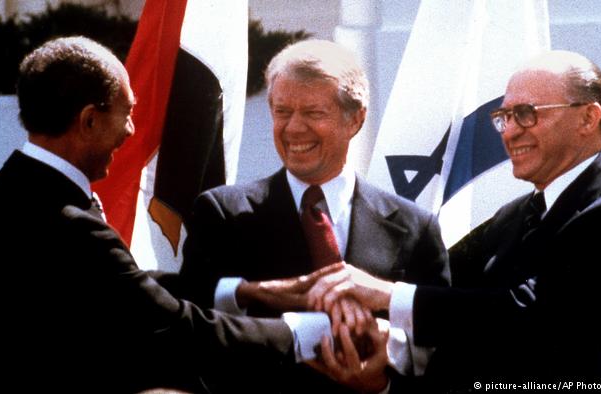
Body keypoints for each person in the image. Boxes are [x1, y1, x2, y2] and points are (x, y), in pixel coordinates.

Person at [0, 36, 343, 394]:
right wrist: (308, 333)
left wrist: (244, 292)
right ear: (88, 121)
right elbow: (169, 326)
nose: (131, 131)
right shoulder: (71, 225)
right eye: (127, 113)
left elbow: (114, 284)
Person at [306, 50, 601, 392]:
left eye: (527, 113)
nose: (509, 132)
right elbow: (452, 299)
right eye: (504, 117)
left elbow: (529, 319)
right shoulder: (513, 217)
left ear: (587, 118)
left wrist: (385, 294)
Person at [177, 39, 450, 393]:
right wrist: (254, 294)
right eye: (282, 111)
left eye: (313, 113)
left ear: (356, 119)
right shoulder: (222, 214)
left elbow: (441, 350)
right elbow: (189, 321)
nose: (293, 128)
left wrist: (381, 385)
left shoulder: (416, 227)